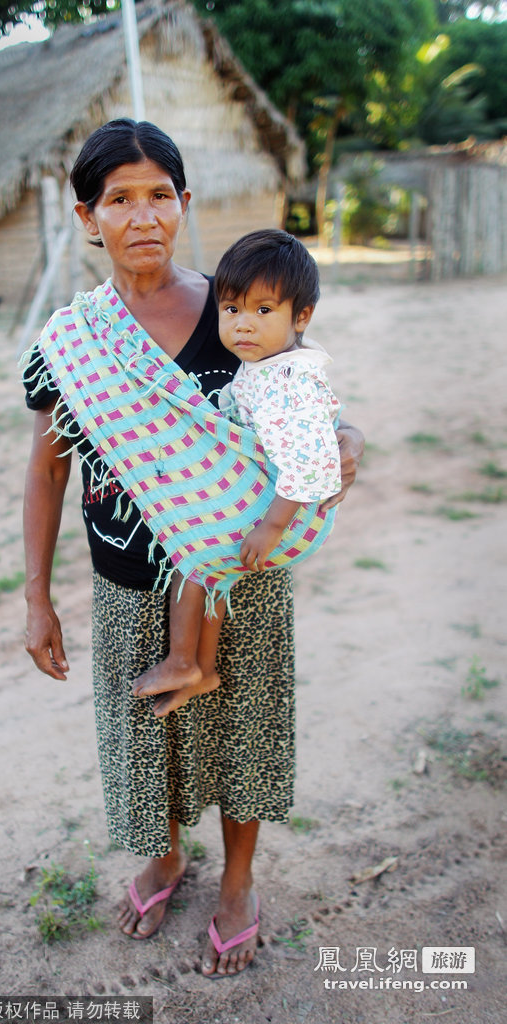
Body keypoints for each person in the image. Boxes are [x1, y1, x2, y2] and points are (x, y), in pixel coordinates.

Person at [22, 118, 364, 977]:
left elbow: (307, 399)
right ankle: (170, 855)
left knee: (242, 732)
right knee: (150, 739)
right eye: (119, 200)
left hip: (238, 574)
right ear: (86, 215)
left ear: (184, 204)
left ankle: (239, 880)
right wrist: (36, 594)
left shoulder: (238, 306)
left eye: (160, 196)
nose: (143, 217)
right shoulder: (71, 344)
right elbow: (46, 473)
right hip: (128, 580)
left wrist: (348, 435)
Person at [131, 228, 342, 717]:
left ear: (302, 317)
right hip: (262, 494)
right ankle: (204, 669)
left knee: (191, 555)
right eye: (232, 310)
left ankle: (184, 658)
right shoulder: (270, 365)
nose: (244, 325)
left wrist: (271, 526)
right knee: (214, 575)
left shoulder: (285, 381)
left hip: (279, 508)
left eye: (263, 311)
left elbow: (307, 461)